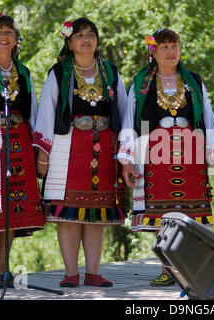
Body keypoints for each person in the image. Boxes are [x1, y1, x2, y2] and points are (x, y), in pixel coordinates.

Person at [118, 28, 214, 286]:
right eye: (164, 46)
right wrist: (127, 158)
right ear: (154, 51)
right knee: (162, 212)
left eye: (174, 45)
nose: (171, 51)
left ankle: (191, 270)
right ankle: (167, 268)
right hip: (155, 153)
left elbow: (208, 117)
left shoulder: (193, 81)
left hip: (191, 152)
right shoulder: (142, 82)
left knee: (190, 212)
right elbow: (130, 119)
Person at [33, 18, 127, 288]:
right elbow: (47, 113)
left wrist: (126, 150)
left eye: (91, 35)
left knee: (96, 213)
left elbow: (123, 111)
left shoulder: (109, 71)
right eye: (80, 36)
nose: (86, 40)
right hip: (66, 148)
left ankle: (94, 273)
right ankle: (71, 273)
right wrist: (43, 154)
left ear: (97, 40)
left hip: (104, 149)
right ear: (70, 42)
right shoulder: (60, 72)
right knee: (68, 213)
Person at [0, 13, 46, 288]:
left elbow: (33, 113)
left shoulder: (23, 71)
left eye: (10, 32)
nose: (4, 36)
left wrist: (40, 151)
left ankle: (4, 269)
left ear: (17, 40)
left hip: (20, 141)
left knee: (14, 207)